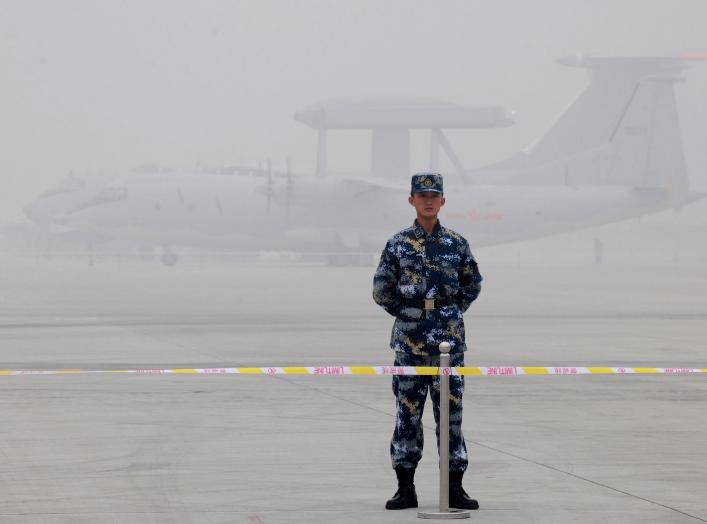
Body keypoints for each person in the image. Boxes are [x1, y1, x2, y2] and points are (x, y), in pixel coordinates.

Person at [372, 172, 482, 511]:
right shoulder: (398, 244)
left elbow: (473, 283)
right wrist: (409, 314)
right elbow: (381, 290)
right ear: (412, 200)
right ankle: (405, 489)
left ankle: (454, 488)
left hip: (449, 346)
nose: (429, 200)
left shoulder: (456, 244)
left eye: (434, 195)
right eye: (422, 196)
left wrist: (449, 313)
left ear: (443, 201)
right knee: (408, 416)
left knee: (451, 416)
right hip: (410, 345)